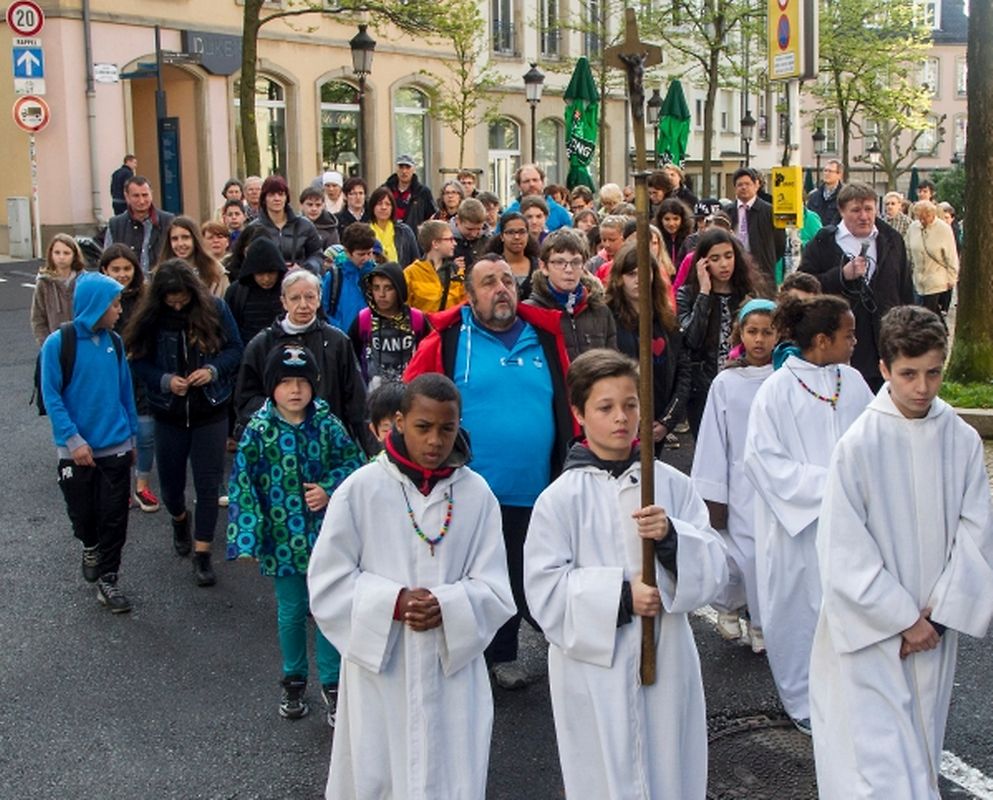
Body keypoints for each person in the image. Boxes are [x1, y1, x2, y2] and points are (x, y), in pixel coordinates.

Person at [523, 348, 727, 800]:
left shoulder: (670, 484)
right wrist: (620, 596)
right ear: (578, 413)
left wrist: (672, 539)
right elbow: (543, 592)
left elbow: (714, 564)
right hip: (595, 672)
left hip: (666, 659)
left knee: (669, 768)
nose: (622, 417)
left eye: (631, 404)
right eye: (606, 407)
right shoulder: (559, 500)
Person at [810, 305, 993, 799]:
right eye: (908, 374)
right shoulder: (859, 445)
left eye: (933, 372)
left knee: (921, 748)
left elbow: (977, 532)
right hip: (872, 636)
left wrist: (937, 618)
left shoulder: (959, 438)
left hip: (934, 629)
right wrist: (901, 619)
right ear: (885, 369)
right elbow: (844, 550)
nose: (922, 387)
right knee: (874, 766)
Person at [307, 373, 515, 799]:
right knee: (377, 773)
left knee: (450, 776)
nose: (435, 440)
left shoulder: (477, 496)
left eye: (447, 428)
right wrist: (393, 602)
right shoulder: (360, 490)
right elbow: (328, 582)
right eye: (423, 427)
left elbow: (494, 588)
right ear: (399, 421)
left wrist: (449, 605)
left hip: (451, 670)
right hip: (383, 670)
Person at [404, 255, 576, 689]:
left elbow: (571, 398)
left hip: (535, 484)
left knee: (522, 570)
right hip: (464, 488)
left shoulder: (542, 335)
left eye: (507, 280)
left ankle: (504, 654)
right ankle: (462, 653)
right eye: (488, 283)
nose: (501, 289)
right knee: (468, 573)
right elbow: (412, 398)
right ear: (469, 294)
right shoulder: (447, 339)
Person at [743, 295, 874, 734]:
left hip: (851, 524)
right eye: (848, 334)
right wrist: (832, 485)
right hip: (796, 529)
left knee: (850, 607)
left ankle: (853, 691)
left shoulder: (852, 382)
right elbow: (763, 461)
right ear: (821, 340)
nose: (855, 341)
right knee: (799, 611)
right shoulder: (777, 391)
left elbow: (874, 442)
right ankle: (802, 699)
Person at [227, 343, 366, 724]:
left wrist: (329, 488)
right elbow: (243, 485)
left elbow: (354, 466)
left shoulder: (326, 423)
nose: (294, 390)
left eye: (302, 382)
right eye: (285, 382)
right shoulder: (258, 431)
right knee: (290, 611)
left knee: (325, 609)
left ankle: (334, 684)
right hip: (280, 540)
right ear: (271, 387)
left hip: (325, 538)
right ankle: (294, 681)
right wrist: (246, 537)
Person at [127, 260, 244, 587]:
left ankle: (203, 553)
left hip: (211, 410)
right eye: (171, 300)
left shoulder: (215, 308)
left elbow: (236, 349)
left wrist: (213, 371)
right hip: (168, 413)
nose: (177, 305)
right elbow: (137, 360)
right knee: (171, 489)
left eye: (182, 299)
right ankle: (180, 519)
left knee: (208, 485)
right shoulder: (150, 319)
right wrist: (165, 381)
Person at [41, 271, 138, 612]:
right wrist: (73, 439)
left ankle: (108, 579)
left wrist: (131, 435)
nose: (119, 311)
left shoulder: (115, 341)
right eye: (114, 304)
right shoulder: (58, 343)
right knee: (83, 514)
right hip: (75, 450)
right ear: (97, 305)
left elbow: (125, 391)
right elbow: (51, 396)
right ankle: (89, 544)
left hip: (115, 444)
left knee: (115, 516)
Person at [691, 299, 776, 652]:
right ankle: (730, 606)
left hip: (773, 481)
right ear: (740, 332)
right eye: (752, 331)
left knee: (769, 556)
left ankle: (763, 622)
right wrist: (712, 490)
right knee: (737, 551)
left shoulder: (785, 379)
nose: (759, 340)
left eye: (767, 332)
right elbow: (713, 437)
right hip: (738, 479)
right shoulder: (726, 382)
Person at [800, 182, 914, 392]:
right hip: (841, 343)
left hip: (886, 340)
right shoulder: (825, 241)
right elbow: (803, 286)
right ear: (842, 211)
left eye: (869, 209)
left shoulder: (891, 239)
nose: (864, 216)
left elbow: (904, 288)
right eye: (856, 210)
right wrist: (841, 275)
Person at [235, 270, 368, 448]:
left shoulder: (337, 342)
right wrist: (283, 411)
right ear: (284, 301)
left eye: (310, 297)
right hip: (276, 444)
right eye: (295, 298)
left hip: (327, 441)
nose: (303, 305)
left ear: (319, 299)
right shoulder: (262, 344)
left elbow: (356, 400)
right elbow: (246, 399)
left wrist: (369, 449)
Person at [605, 242, 691, 455]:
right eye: (632, 273)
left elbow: (683, 371)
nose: (639, 280)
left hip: (657, 424)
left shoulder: (666, 319)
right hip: (619, 424)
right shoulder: (606, 318)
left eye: (645, 272)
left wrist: (667, 422)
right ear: (619, 278)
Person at [678, 228, 762, 437]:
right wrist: (704, 293)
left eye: (728, 256)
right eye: (715, 258)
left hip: (742, 383)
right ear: (703, 263)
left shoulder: (748, 294)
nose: (724, 264)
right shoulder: (688, 294)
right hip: (703, 387)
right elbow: (691, 339)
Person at [98, 244, 158, 514]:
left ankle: (142, 483)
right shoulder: (99, 299)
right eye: (115, 269)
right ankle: (119, 486)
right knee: (115, 434)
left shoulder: (148, 298)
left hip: (142, 373)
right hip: (110, 376)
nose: (122, 274)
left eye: (127, 269)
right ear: (104, 270)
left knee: (145, 433)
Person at [524, 228, 616, 360]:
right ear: (544, 267)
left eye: (575, 262)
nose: (568, 269)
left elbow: (612, 361)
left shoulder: (600, 310)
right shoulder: (530, 313)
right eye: (559, 262)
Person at [348, 261, 428, 389]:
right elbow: (351, 357)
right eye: (376, 288)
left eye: (388, 288)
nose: (381, 295)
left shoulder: (416, 319)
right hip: (373, 393)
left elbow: (427, 357)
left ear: (399, 289)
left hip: (411, 392)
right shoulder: (364, 319)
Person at [245, 176, 324, 275]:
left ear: (286, 197)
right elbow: (247, 260)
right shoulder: (254, 228)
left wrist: (304, 268)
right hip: (267, 282)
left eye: (281, 194)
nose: (277, 198)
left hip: (299, 280)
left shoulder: (305, 225)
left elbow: (317, 255)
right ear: (264, 198)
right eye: (272, 194)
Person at [724, 167, 786, 287]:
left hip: (762, 271)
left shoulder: (769, 211)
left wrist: (767, 257)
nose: (743, 187)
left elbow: (780, 243)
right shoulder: (728, 211)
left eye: (747, 184)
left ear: (756, 185)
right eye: (740, 185)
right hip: (735, 270)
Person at [104, 176, 175, 273]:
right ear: (127, 196)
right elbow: (107, 260)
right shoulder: (115, 225)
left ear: (151, 195)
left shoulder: (169, 221)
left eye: (145, 195)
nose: (141, 201)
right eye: (136, 196)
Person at [223, 236, 287, 345]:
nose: (266, 279)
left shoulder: (289, 289)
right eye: (260, 274)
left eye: (271, 273)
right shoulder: (236, 293)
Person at [905, 199, 958, 322]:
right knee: (926, 309)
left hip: (936, 276)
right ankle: (941, 329)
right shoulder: (913, 227)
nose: (922, 221)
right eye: (919, 218)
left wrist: (952, 277)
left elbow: (951, 255)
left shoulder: (944, 229)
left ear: (932, 215)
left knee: (927, 309)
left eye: (925, 217)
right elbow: (907, 248)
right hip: (918, 277)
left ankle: (928, 333)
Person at [31, 234, 87, 347]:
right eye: (57, 253)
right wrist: (46, 343)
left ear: (74, 255)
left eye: (66, 253)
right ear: (51, 254)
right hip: (55, 343)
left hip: (83, 342)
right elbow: (38, 317)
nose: (61, 257)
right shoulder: (44, 282)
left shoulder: (85, 280)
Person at [321, 222, 377, 331]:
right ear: (347, 252)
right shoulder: (334, 277)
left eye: (369, 253)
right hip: (343, 338)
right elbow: (324, 310)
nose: (366, 258)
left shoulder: (378, 274)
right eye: (361, 254)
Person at [158, 216, 229, 298]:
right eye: (174, 239)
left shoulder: (216, 272)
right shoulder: (160, 273)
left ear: (195, 239)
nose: (180, 244)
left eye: (185, 237)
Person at [402, 219, 463, 314]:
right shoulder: (411, 273)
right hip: (423, 327)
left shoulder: (457, 272)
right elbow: (404, 310)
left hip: (451, 327)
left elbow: (464, 304)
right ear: (435, 244)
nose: (455, 243)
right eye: (450, 239)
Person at [485, 211, 539, 302]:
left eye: (522, 232)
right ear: (502, 236)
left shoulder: (538, 266)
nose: (517, 237)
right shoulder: (490, 266)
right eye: (510, 232)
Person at [501, 164, 572, 231]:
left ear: (543, 183)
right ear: (519, 186)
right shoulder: (509, 213)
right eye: (526, 181)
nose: (532, 184)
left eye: (535, 180)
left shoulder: (560, 212)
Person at [367, 186, 420, 269]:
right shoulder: (365, 232)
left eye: (387, 204)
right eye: (379, 204)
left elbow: (415, 261)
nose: (383, 207)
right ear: (372, 207)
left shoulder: (404, 231)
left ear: (392, 208)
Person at [383, 154, 437, 231]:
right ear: (396, 169)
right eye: (401, 167)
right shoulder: (385, 190)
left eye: (408, 167)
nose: (404, 171)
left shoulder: (422, 192)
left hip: (414, 238)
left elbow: (432, 217)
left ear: (414, 169)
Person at [450, 197, 489, 273]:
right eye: (469, 229)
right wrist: (451, 268)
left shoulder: (489, 241)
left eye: (478, 229)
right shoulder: (444, 240)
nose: (474, 234)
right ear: (458, 221)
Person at [365, 380, 405, 450]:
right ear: (374, 430)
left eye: (403, 429)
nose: (396, 438)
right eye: (386, 431)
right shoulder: (379, 461)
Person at [656, 196, 695, 267]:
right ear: (660, 220)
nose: (671, 224)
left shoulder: (689, 239)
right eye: (667, 219)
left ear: (682, 219)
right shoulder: (656, 240)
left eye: (675, 219)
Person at [299, 186, 340, 251]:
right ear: (301, 206)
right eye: (310, 204)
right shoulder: (294, 226)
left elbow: (334, 257)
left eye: (318, 205)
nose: (314, 209)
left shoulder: (330, 229)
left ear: (323, 206)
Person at [806, 159, 844, 227]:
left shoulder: (845, 196)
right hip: (816, 235)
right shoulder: (814, 196)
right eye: (825, 170)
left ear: (839, 175)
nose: (826, 173)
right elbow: (808, 219)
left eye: (830, 171)